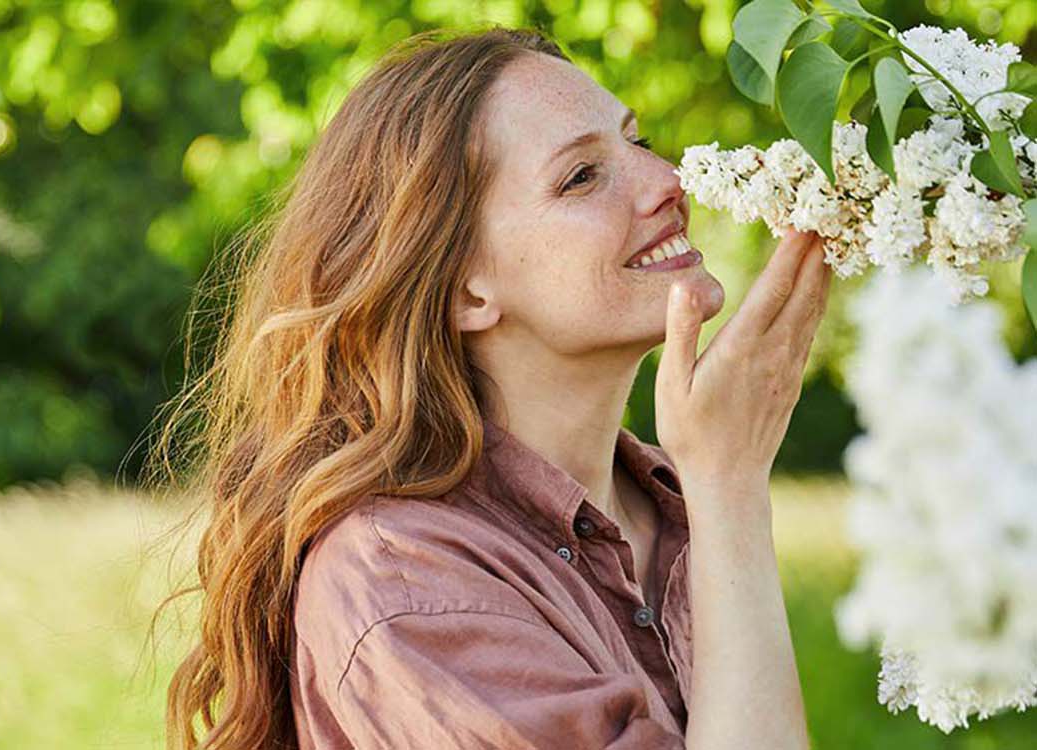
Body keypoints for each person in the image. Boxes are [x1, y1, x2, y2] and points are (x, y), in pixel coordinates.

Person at [153, 24, 828, 750]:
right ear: (465, 290)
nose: (668, 180)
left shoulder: (666, 506)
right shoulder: (406, 587)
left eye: (637, 141)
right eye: (581, 176)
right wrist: (731, 482)